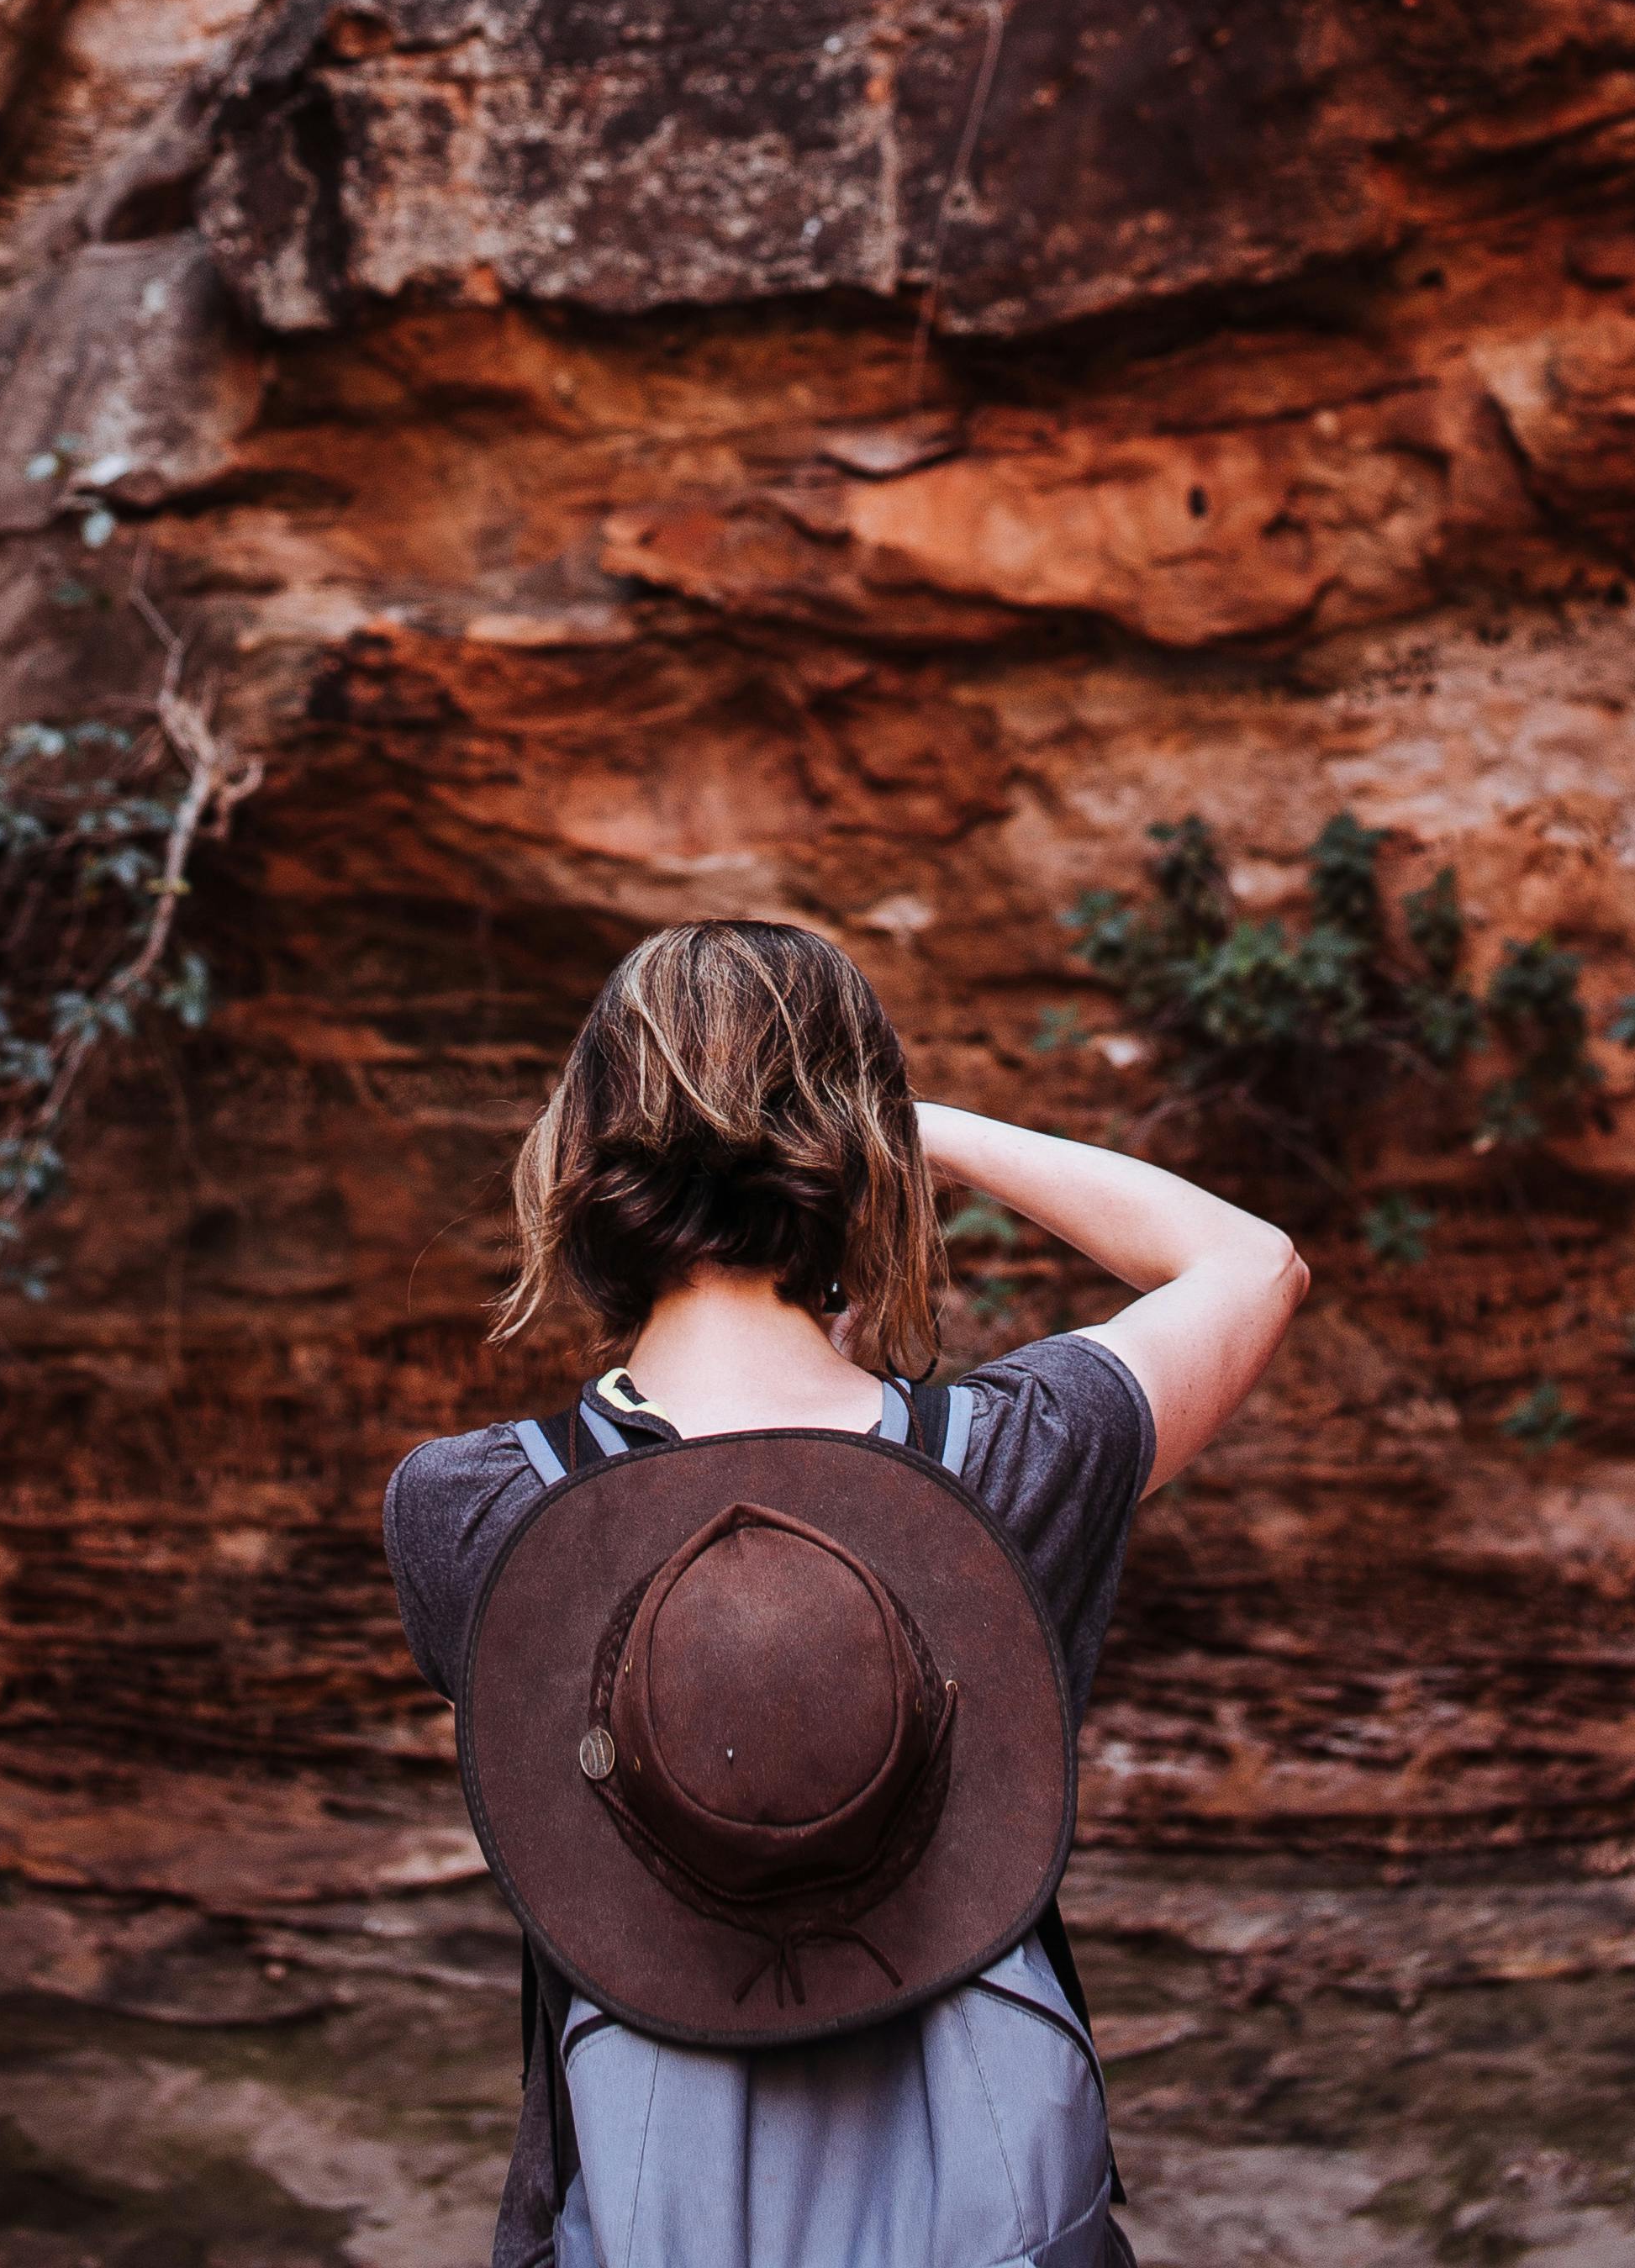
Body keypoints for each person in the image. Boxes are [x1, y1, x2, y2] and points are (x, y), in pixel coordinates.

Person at [385, 918, 1308, 2268]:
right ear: (859, 1154)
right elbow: (1251, 1263)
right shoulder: (1004, 1474)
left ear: (581, 1157)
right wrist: (917, 1129)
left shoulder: (474, 1514)